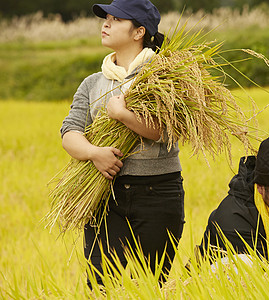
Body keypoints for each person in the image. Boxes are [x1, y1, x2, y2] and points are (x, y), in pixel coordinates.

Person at [60, 0, 184, 287]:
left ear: (139, 31)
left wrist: (122, 115)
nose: (105, 23)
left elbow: (167, 131)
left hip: (159, 193)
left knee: (151, 286)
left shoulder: (164, 76)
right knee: (101, 286)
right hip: (106, 197)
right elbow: (69, 132)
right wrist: (94, 153)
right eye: (106, 18)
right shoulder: (92, 83)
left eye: (116, 19)